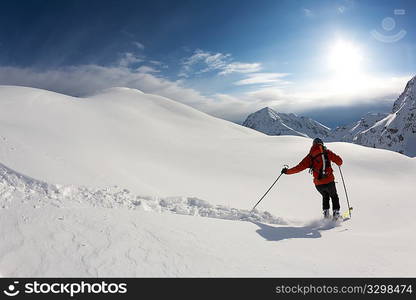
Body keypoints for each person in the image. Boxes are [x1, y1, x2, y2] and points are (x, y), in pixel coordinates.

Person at [281, 138, 343, 220]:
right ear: (322, 144)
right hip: (329, 181)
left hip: (318, 184)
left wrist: (287, 171)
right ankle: (336, 214)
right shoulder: (327, 152)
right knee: (334, 196)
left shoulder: (310, 156)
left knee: (325, 196)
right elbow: (340, 161)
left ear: (313, 145)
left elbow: (299, 167)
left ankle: (326, 215)